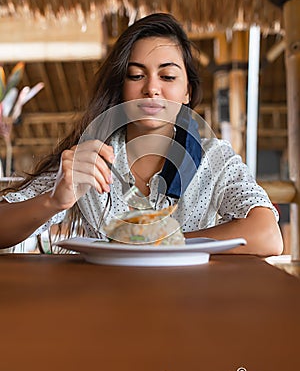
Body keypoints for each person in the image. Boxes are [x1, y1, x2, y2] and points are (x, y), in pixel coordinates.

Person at [0, 13, 283, 255]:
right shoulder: (92, 154)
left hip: (191, 306)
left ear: (187, 92)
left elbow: (267, 234)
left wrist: (154, 243)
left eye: (168, 76)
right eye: (136, 76)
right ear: (121, 89)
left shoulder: (215, 158)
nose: (151, 88)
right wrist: (53, 200)